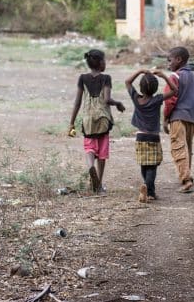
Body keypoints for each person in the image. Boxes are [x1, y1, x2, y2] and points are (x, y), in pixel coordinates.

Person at [68, 49, 125, 193]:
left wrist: (72, 123)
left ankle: (90, 166)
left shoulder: (82, 78)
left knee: (89, 148)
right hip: (103, 119)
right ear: (100, 63)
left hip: (87, 119)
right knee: (102, 152)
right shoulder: (106, 78)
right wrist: (118, 103)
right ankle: (99, 184)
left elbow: (77, 103)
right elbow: (106, 99)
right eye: (104, 60)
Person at [124, 68, 178, 202]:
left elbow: (127, 81)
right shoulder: (157, 99)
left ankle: (147, 188)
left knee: (144, 164)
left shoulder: (136, 99)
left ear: (141, 88)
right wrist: (165, 76)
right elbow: (174, 90)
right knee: (152, 166)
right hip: (153, 137)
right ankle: (149, 191)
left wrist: (139, 71)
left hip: (140, 137)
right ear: (155, 89)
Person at [164, 46, 194, 193]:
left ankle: (186, 179)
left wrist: (165, 118)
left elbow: (169, 101)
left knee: (178, 147)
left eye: (170, 60)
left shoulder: (174, 77)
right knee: (188, 148)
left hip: (177, 118)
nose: (168, 64)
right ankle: (186, 174)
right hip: (192, 118)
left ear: (179, 60)